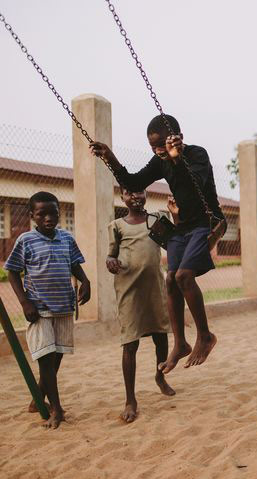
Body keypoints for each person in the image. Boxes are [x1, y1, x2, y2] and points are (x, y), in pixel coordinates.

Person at [89, 114, 225, 373]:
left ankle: (205, 336)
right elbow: (133, 182)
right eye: (153, 147)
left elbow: (191, 187)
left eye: (162, 144)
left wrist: (176, 158)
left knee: (185, 275)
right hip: (183, 227)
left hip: (206, 223)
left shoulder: (198, 155)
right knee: (171, 278)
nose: (158, 151)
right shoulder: (159, 160)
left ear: (178, 137)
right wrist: (110, 157)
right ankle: (181, 343)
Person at [4, 191, 90, 429]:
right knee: (45, 360)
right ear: (33, 216)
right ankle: (56, 409)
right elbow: (12, 271)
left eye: (53, 213)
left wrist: (86, 281)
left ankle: (38, 398)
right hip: (38, 310)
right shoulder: (26, 241)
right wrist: (24, 302)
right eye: (42, 214)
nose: (48, 218)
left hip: (64, 308)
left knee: (55, 359)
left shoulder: (66, 239)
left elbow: (74, 264)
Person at [107, 187, 175, 423]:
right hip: (129, 289)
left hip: (155, 287)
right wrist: (111, 261)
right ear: (122, 197)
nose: (135, 196)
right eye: (129, 193)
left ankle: (160, 377)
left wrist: (175, 216)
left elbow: (172, 242)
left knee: (161, 336)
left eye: (139, 192)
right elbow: (111, 254)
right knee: (130, 343)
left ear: (145, 194)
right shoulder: (117, 226)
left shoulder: (156, 219)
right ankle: (130, 399)